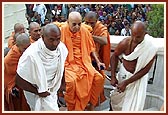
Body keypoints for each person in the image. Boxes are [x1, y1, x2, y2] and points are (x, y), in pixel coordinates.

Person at [15, 23, 68, 111]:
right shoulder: (31, 55)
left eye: (58, 39)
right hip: (34, 92)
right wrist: (38, 92)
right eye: (51, 39)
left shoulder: (61, 48)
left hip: (52, 89)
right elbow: (19, 81)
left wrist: (62, 83)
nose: (55, 43)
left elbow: (61, 66)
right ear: (43, 37)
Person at [60, 11, 105, 111]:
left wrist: (98, 62)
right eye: (74, 24)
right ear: (68, 22)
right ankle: (72, 108)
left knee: (99, 79)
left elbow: (92, 48)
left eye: (79, 24)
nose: (77, 27)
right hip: (68, 64)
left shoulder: (84, 31)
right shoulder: (61, 31)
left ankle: (91, 105)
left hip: (84, 62)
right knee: (71, 83)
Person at [110, 21, 158, 111]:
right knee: (115, 99)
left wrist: (127, 82)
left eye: (138, 37)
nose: (135, 39)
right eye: (133, 35)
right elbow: (114, 56)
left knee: (133, 107)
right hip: (123, 75)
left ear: (145, 34)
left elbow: (145, 70)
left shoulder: (151, 47)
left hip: (138, 80)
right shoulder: (125, 43)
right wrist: (113, 76)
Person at [84, 11, 111, 105]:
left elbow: (104, 41)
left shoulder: (101, 28)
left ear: (97, 21)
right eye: (87, 23)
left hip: (95, 61)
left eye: (92, 23)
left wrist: (90, 36)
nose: (89, 25)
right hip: (83, 59)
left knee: (97, 81)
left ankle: (94, 103)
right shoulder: (81, 27)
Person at [4, 33, 31, 111]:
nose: (27, 51)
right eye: (24, 49)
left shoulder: (30, 50)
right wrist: (11, 88)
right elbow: (9, 77)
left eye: (28, 47)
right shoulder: (10, 59)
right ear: (17, 45)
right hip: (18, 87)